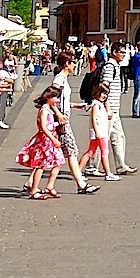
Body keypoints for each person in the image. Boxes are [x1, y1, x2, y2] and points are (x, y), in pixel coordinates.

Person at [52, 53, 99, 194]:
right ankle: (81, 184)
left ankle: (32, 183)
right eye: (73, 62)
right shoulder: (59, 80)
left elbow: (63, 101)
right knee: (70, 151)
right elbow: (51, 98)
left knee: (57, 153)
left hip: (63, 119)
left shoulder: (63, 80)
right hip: (61, 121)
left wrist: (76, 105)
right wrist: (58, 113)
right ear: (66, 64)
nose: (74, 65)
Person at [88, 43, 137, 177]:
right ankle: (91, 166)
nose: (124, 55)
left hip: (114, 109)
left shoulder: (115, 66)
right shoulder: (110, 66)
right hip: (108, 110)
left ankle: (121, 166)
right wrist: (107, 107)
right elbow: (104, 88)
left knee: (118, 136)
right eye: (121, 52)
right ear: (114, 52)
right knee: (102, 138)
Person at [16, 85, 65, 200]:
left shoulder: (49, 108)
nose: (57, 101)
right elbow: (43, 126)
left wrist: (58, 124)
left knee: (59, 161)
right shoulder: (44, 109)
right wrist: (53, 139)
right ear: (49, 97)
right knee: (40, 165)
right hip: (45, 140)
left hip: (51, 138)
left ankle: (49, 186)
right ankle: (34, 190)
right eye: (56, 98)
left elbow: (49, 125)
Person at [78, 84, 113, 178]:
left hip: (100, 132)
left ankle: (78, 172)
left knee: (90, 151)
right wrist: (97, 132)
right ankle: (108, 173)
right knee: (104, 152)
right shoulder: (96, 105)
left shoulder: (99, 104)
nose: (104, 96)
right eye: (103, 93)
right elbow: (93, 119)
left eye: (106, 94)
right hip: (100, 132)